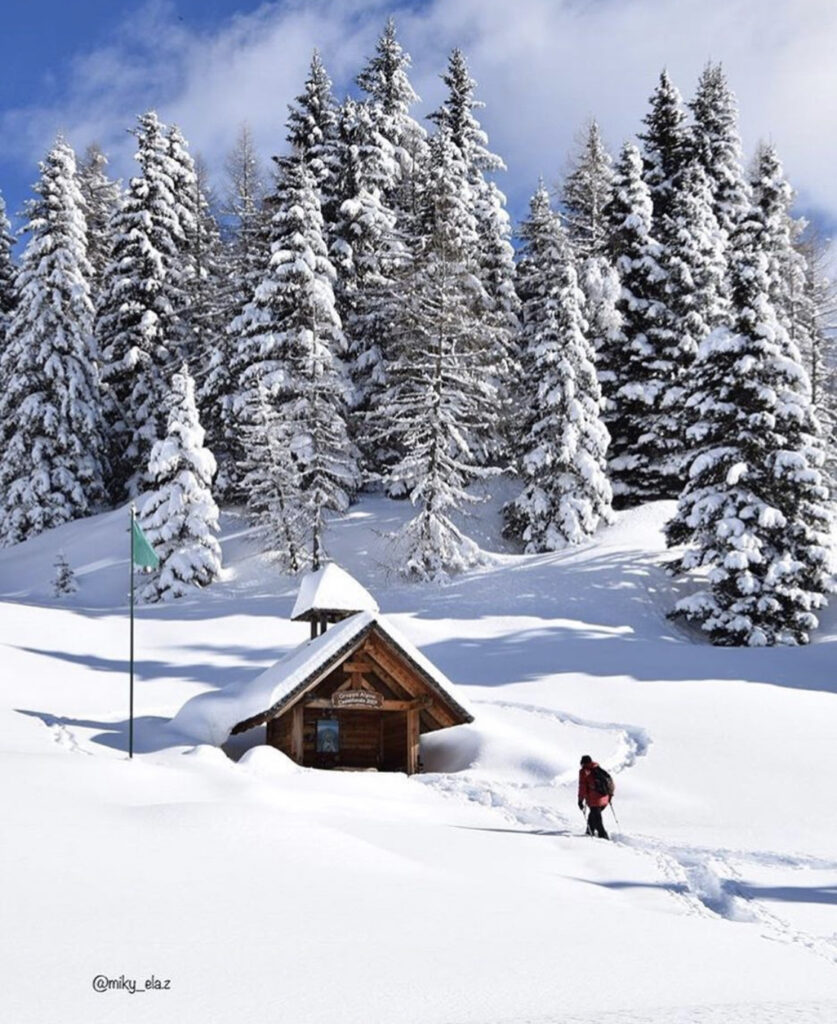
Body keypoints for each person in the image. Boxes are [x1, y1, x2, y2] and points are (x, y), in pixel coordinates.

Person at [578, 754, 610, 840]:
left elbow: (582, 787)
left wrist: (580, 800)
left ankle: (603, 836)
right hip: (605, 797)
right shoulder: (598, 768)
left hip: (595, 799)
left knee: (597, 819)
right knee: (593, 815)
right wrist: (610, 796)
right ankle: (589, 831)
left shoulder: (584, 771)